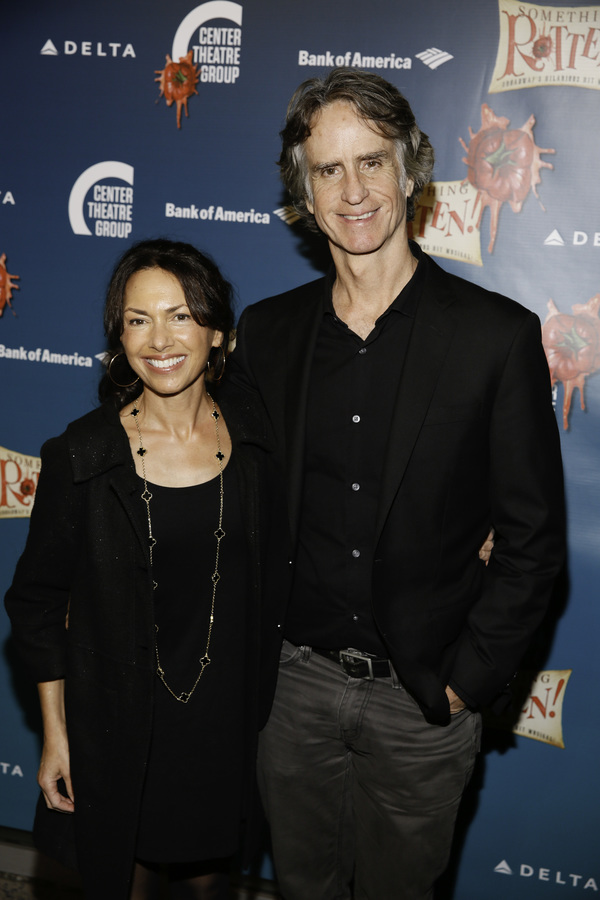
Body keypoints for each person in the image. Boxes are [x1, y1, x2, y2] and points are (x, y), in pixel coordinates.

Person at [227, 68, 565, 899]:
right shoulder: (266, 335)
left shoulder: (495, 338)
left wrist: (464, 684)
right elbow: (235, 499)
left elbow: (533, 542)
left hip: (421, 702)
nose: (354, 191)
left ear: (411, 171)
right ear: (303, 193)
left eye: (372, 162)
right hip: (291, 692)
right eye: (329, 170)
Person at [5, 239, 282, 900]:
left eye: (181, 315)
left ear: (218, 333)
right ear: (118, 336)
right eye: (138, 319)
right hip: (118, 731)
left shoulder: (255, 436)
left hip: (223, 729)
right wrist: (56, 736)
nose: (159, 338)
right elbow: (36, 605)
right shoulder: (83, 455)